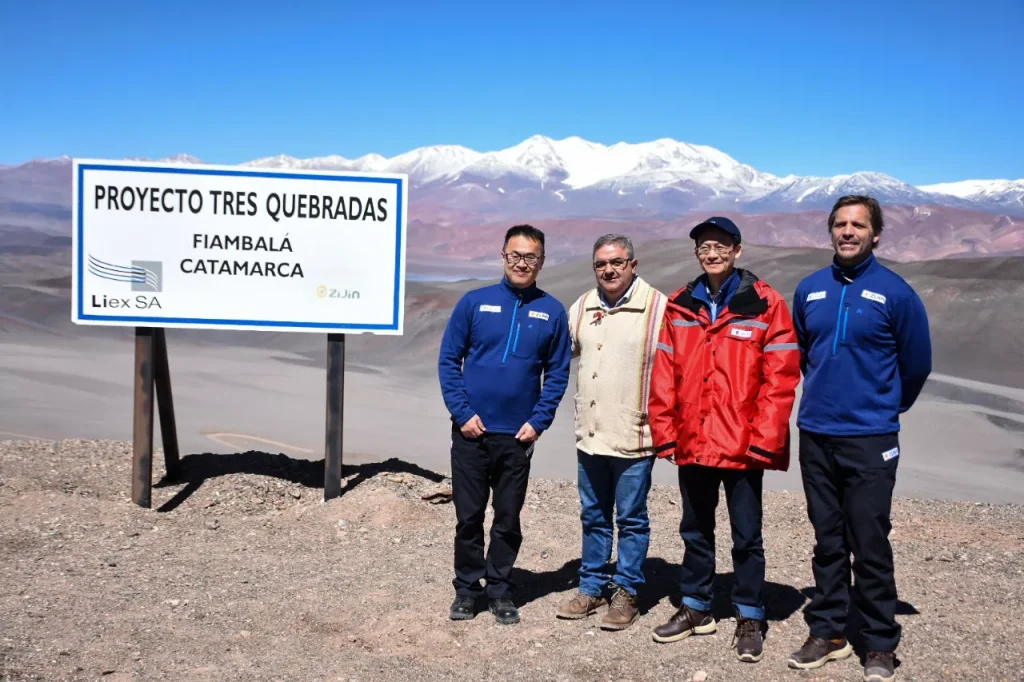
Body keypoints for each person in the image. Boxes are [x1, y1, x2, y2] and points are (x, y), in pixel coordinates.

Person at [787, 196, 931, 682]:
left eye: (858, 225)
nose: (848, 232)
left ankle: (879, 642)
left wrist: (886, 407)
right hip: (817, 432)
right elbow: (807, 354)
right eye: (840, 224)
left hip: (870, 437)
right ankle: (828, 631)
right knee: (827, 539)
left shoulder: (896, 292)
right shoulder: (809, 290)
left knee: (869, 540)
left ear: (876, 234)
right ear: (830, 231)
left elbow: (916, 364)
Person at [647, 216, 801, 663]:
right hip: (694, 439)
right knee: (695, 529)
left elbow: (781, 378)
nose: (711, 254)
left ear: (737, 250)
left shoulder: (765, 304)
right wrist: (666, 433)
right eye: (703, 247)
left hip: (741, 444)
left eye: (720, 246)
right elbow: (664, 376)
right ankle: (696, 607)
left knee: (746, 535)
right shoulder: (681, 305)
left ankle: (750, 614)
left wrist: (764, 440)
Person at [437, 223, 572, 626]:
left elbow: (559, 372)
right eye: (515, 255)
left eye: (531, 257)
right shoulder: (474, 303)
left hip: (518, 436)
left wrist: (539, 421)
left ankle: (500, 589)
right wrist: (462, 414)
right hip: (471, 433)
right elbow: (449, 361)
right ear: (503, 257)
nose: (522, 263)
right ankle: (467, 588)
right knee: (469, 515)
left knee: (508, 517)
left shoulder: (551, 311)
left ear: (542, 261)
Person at [554, 234, 668, 630]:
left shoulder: (658, 308)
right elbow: (559, 354)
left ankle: (628, 591)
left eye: (617, 262)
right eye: (601, 264)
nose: (609, 270)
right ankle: (590, 587)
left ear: (633, 265)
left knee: (632, 517)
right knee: (594, 515)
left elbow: (676, 369)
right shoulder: (582, 306)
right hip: (591, 433)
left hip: (635, 435)